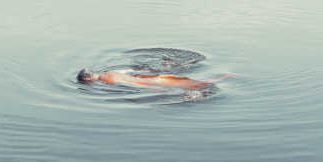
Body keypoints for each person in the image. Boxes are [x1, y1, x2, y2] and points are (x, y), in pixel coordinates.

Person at [76, 68, 229, 90]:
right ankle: (225, 76)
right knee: (191, 81)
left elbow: (128, 83)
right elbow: (131, 72)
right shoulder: (111, 71)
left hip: (151, 82)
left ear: (88, 79)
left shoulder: (106, 81)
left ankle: (225, 78)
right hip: (156, 77)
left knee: (194, 85)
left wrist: (151, 89)